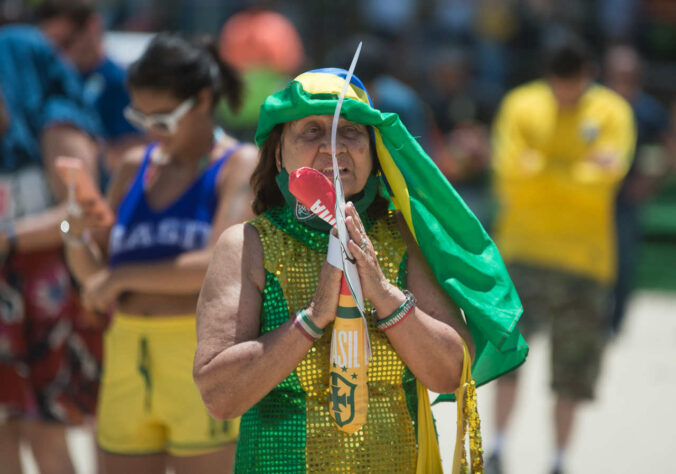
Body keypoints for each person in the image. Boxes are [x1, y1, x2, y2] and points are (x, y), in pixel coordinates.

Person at [193, 67, 528, 472]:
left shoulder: (402, 237)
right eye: (312, 131)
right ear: (280, 152)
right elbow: (219, 396)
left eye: (350, 132)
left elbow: (451, 374)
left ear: (374, 152)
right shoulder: (247, 245)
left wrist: (384, 294)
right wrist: (314, 317)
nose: (333, 148)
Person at [63, 33, 258, 474]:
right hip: (126, 352)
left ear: (203, 101)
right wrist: (73, 236)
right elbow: (95, 275)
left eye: (163, 119)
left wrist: (121, 278)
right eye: (139, 116)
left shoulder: (239, 164)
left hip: (199, 354)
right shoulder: (134, 167)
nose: (150, 130)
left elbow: (217, 263)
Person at [486, 32, 636, 474]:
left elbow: (607, 179)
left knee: (571, 374)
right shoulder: (520, 105)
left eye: (573, 83)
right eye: (559, 83)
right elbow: (508, 174)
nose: (566, 92)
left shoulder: (613, 110)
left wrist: (541, 173)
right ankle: (497, 448)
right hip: (523, 254)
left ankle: (558, 460)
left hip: (585, 262)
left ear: (589, 75)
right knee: (507, 359)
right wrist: (577, 174)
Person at [0, 16, 101, 474]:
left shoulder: (56, 116)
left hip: (45, 295)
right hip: (17, 298)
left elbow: (80, 214)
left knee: (48, 437)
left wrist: (10, 236)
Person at [35, 0, 145, 183]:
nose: (57, 53)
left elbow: (142, 149)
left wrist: (87, 148)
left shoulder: (120, 83)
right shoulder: (52, 82)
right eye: (49, 46)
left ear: (92, 26)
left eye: (65, 42)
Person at [603, 43, 672, 333]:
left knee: (624, 261)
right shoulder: (595, 106)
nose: (623, 79)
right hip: (588, 197)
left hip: (626, 200)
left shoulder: (647, 110)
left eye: (628, 73)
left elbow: (670, 149)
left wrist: (648, 183)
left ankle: (614, 325)